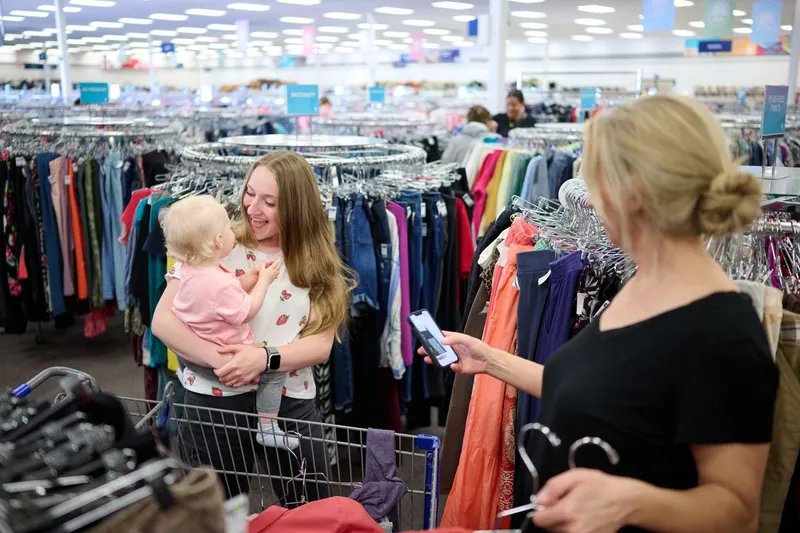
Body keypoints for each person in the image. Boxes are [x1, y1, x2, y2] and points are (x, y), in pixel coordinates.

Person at [430, 95, 778, 532]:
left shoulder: (724, 332)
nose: (590, 203)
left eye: (597, 183)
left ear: (634, 192)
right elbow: (606, 390)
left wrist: (632, 502)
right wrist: (490, 360)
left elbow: (737, 512)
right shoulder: (643, 283)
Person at [152, 151, 351, 502]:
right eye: (250, 193)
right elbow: (163, 321)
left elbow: (320, 346)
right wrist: (225, 361)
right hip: (213, 399)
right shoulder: (216, 242)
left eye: (269, 201)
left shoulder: (315, 262)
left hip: (288, 400)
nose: (252, 208)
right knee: (217, 511)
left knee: (310, 508)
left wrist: (262, 360)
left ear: (295, 207)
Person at [160, 195, 296, 450]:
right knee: (275, 373)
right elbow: (247, 310)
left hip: (191, 360)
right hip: (225, 360)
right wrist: (264, 281)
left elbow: (226, 293)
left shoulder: (192, 270)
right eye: (228, 228)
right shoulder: (217, 282)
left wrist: (250, 278)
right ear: (219, 241)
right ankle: (267, 427)